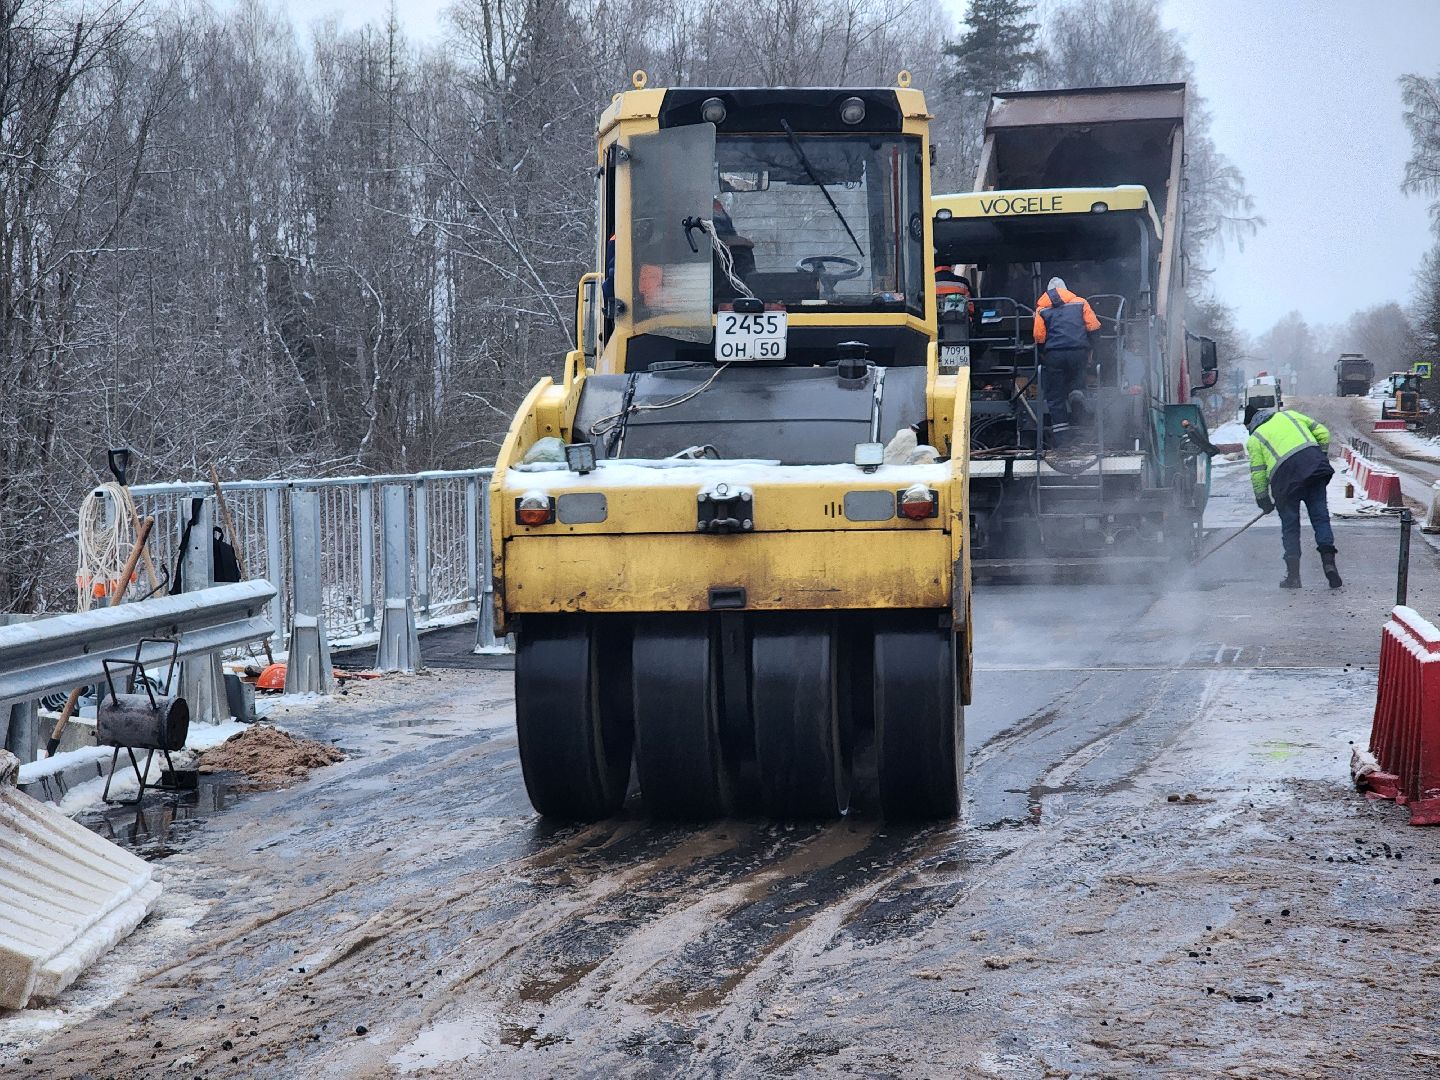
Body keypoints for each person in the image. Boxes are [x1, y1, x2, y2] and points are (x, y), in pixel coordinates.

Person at [1246, 406, 1342, 589]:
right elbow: (1323, 433)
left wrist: (1263, 499)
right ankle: (1330, 565)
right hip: (1315, 470)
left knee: (1290, 526)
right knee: (1321, 518)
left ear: (1252, 424)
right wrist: (1319, 457)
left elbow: (1258, 473)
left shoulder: (1255, 438)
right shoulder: (1290, 415)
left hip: (1285, 481)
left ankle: (1294, 577)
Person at [1032, 277, 1101, 445]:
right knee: (1077, 382)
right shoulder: (1081, 303)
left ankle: (1063, 441)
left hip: (1054, 354)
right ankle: (1078, 400)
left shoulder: (1041, 310)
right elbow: (1094, 327)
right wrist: (1091, 350)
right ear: (1066, 289)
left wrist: (1044, 355)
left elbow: (1038, 337)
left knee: (1055, 397)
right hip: (1079, 352)